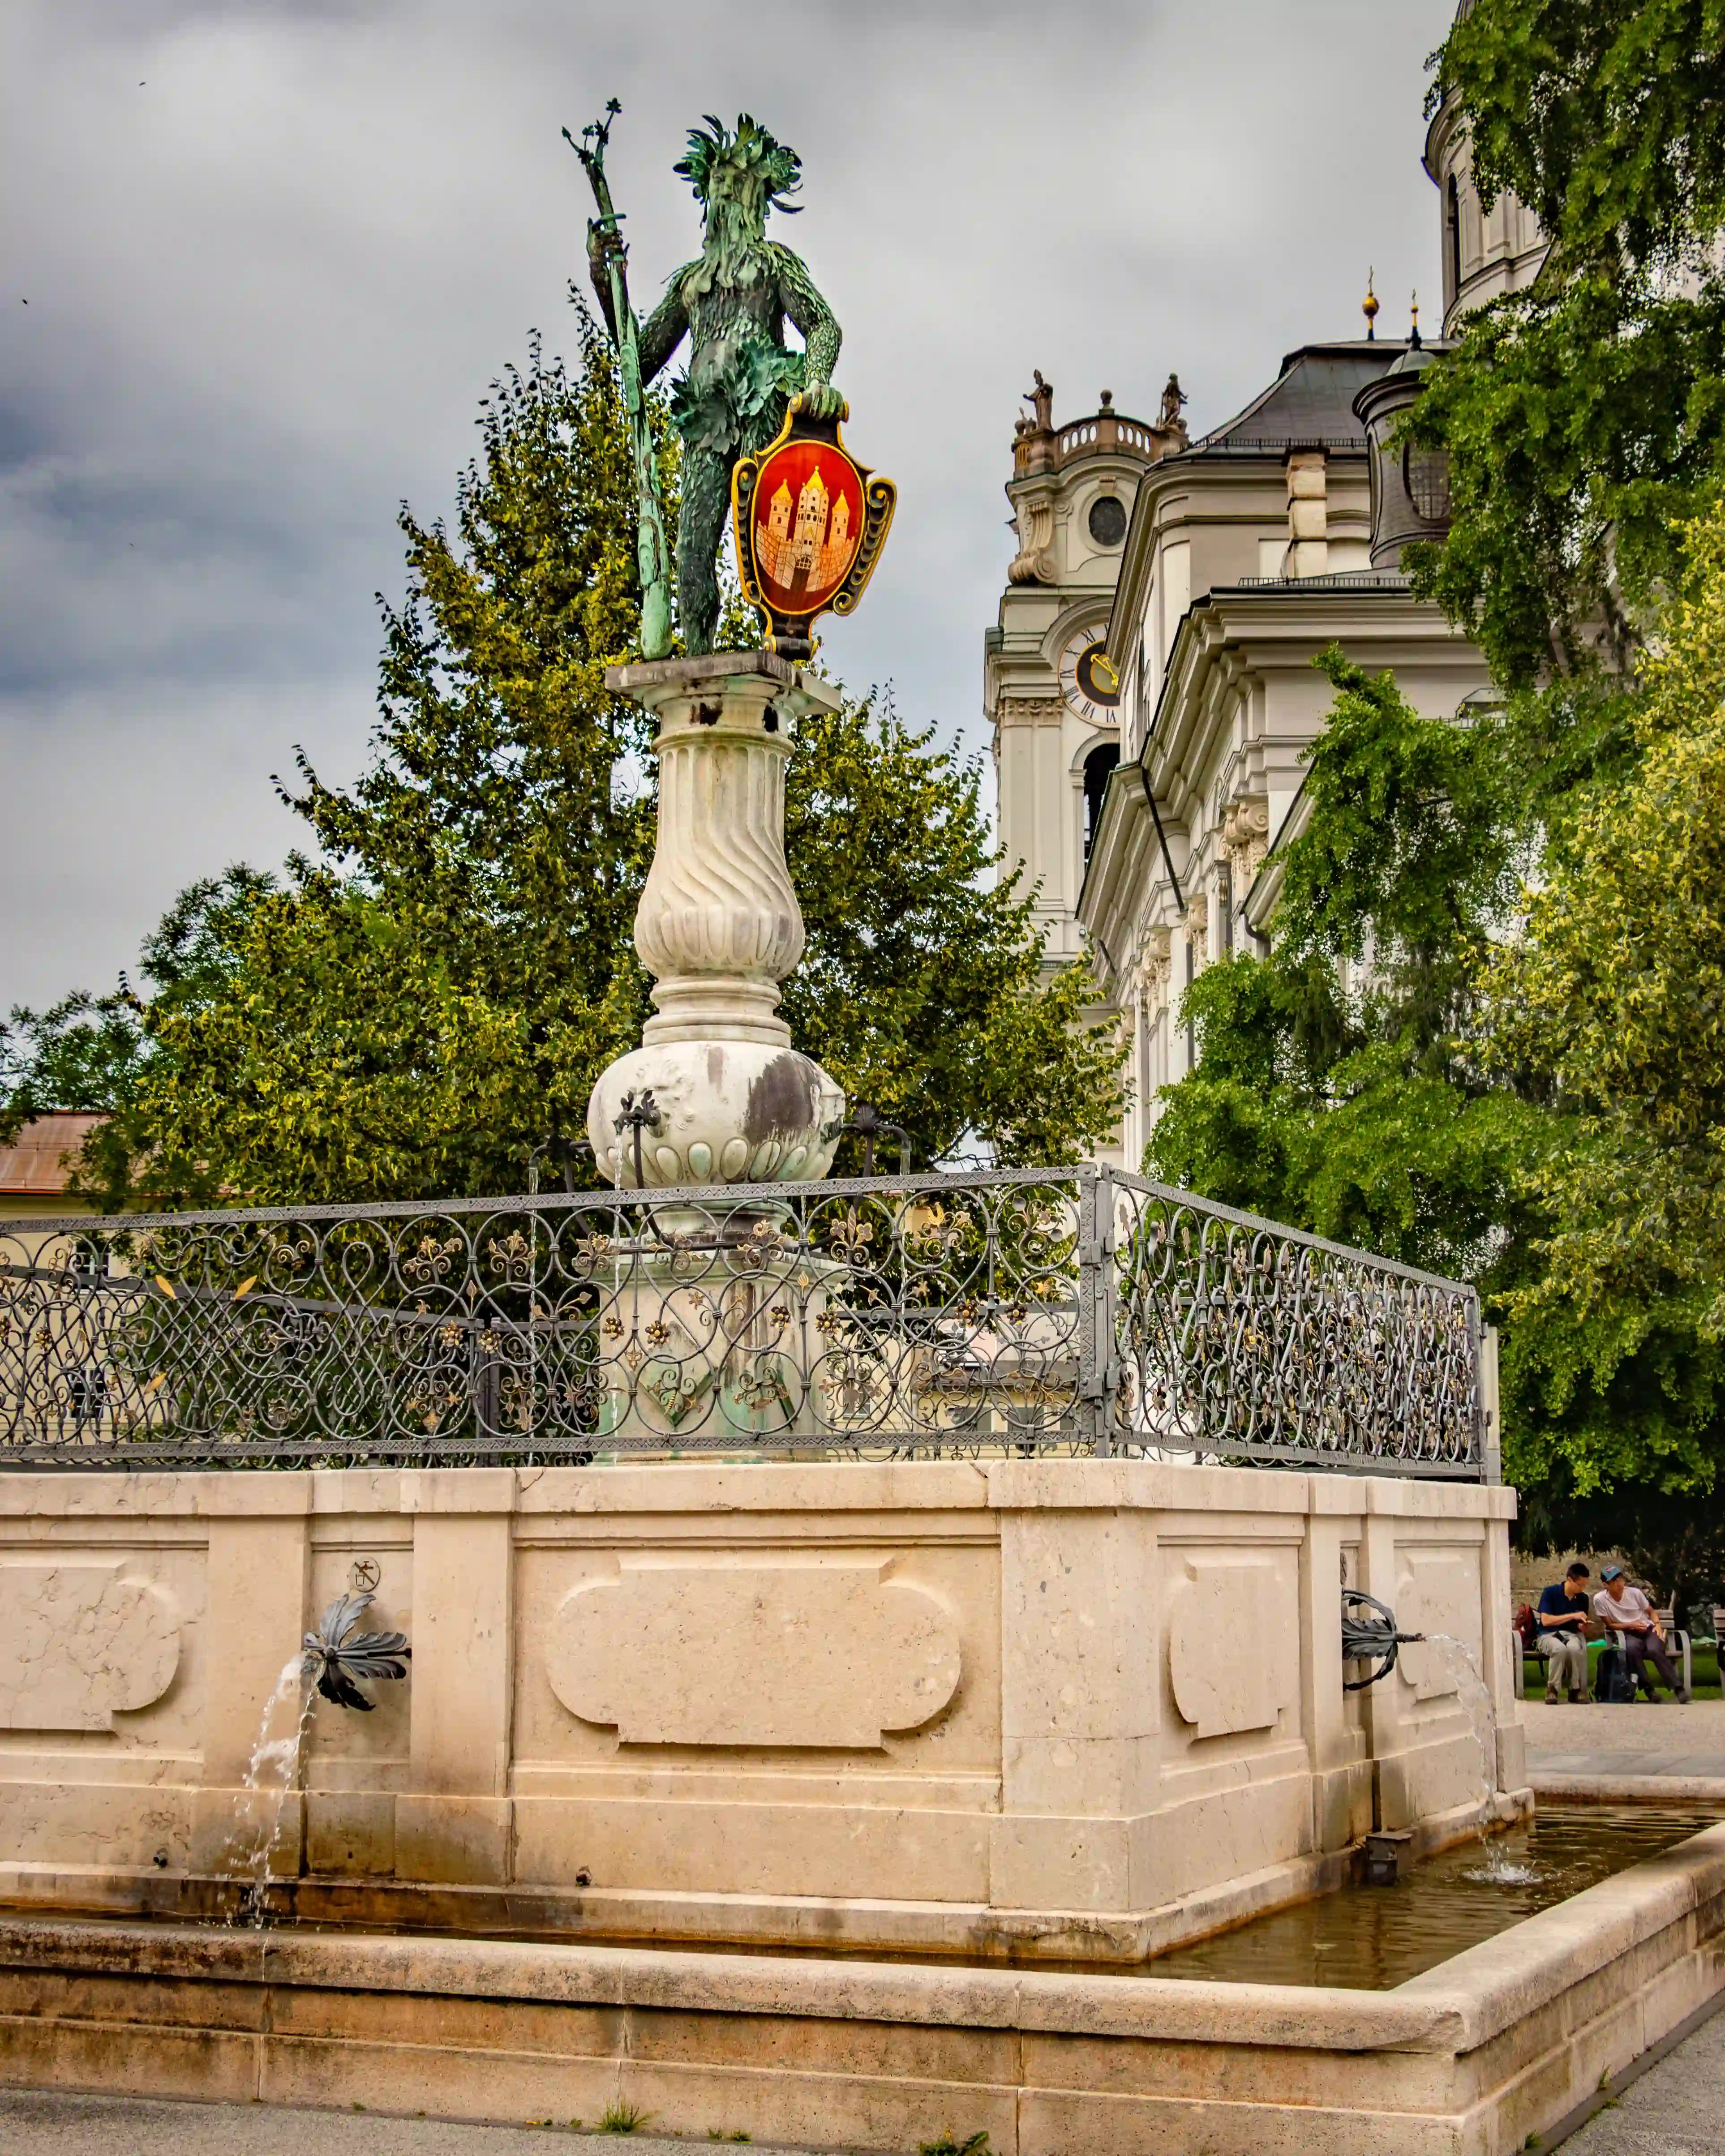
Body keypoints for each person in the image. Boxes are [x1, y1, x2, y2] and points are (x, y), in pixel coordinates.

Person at [1593, 1564, 1691, 1703]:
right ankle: (1649, 1690)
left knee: (1654, 1650)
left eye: (1620, 1579)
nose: (1619, 1584)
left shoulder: (1634, 1593)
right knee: (1632, 1649)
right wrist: (1631, 1625)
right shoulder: (1600, 1599)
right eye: (1614, 1581)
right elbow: (1610, 1625)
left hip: (1647, 1629)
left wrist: (1658, 1626)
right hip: (1627, 1633)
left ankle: (1678, 1689)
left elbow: (1651, 1612)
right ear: (1605, 1584)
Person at [1534, 1562, 1593, 1702]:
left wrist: (1583, 1627)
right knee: (1559, 1649)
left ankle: (1575, 1689)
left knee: (1574, 1648)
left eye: (1585, 1585)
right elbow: (1546, 1621)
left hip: (1571, 1635)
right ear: (1569, 1580)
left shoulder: (1583, 1599)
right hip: (1548, 1634)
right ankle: (1553, 1690)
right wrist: (1573, 1616)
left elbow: (1579, 1625)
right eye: (1581, 1585)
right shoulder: (1550, 1593)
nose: (1583, 1589)